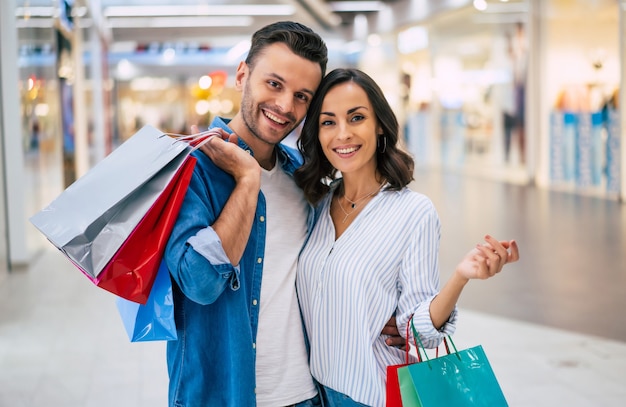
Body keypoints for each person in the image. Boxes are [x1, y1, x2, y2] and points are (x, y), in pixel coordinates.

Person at [163, 22, 403, 407]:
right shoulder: (192, 170)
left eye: (302, 96)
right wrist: (246, 179)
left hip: (307, 394)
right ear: (243, 75)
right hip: (223, 395)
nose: (285, 106)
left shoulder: (302, 176)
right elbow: (201, 283)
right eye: (274, 84)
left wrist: (384, 314)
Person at [294, 68, 520, 407]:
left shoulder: (413, 212)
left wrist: (460, 277)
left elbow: (419, 331)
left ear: (380, 125)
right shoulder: (318, 204)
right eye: (328, 122)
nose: (342, 134)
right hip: (315, 392)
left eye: (356, 117)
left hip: (372, 395)